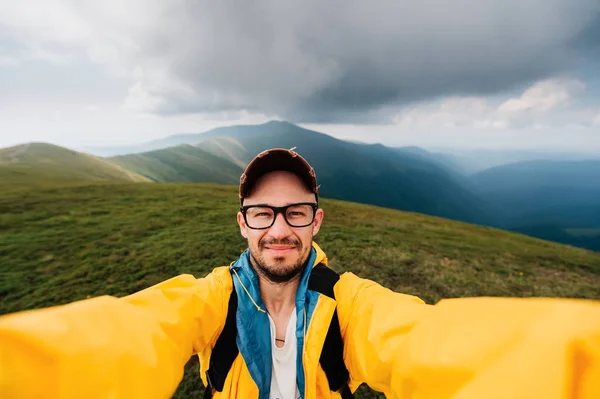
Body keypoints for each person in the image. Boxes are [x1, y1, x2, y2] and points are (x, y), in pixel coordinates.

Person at [1, 147, 599, 399]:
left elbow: (428, 339)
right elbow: (122, 333)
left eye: (295, 212)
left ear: (317, 221)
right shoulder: (208, 299)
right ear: (242, 223)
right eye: (263, 212)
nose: (279, 228)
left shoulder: (352, 303)